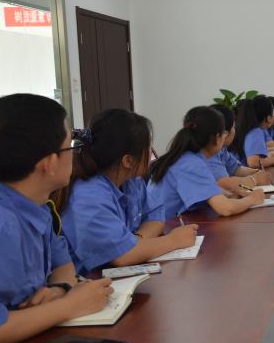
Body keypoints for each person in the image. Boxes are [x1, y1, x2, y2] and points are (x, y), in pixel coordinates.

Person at [0, 94, 113, 343]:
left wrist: (59, 289)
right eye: (71, 146)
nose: (75, 154)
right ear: (49, 163)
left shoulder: (34, 204)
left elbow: (63, 265)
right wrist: (68, 306)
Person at [55, 109, 199, 275]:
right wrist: (174, 240)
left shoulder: (131, 180)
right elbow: (122, 256)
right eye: (147, 147)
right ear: (128, 161)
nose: (151, 152)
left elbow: (155, 217)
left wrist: (137, 241)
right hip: (91, 279)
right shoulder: (88, 195)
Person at [148, 106, 265, 219]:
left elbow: (213, 192)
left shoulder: (188, 156)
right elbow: (225, 208)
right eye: (224, 133)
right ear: (217, 138)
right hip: (165, 228)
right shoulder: (191, 163)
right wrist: (252, 199)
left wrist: (229, 193)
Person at [208, 104, 272, 194]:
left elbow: (236, 169)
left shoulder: (222, 149)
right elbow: (224, 184)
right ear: (225, 133)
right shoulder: (209, 153)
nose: (235, 130)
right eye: (234, 127)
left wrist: (257, 172)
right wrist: (255, 179)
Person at [231, 96, 274, 169]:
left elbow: (262, 153)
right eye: (273, 113)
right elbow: (253, 163)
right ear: (268, 118)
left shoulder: (250, 128)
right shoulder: (256, 132)